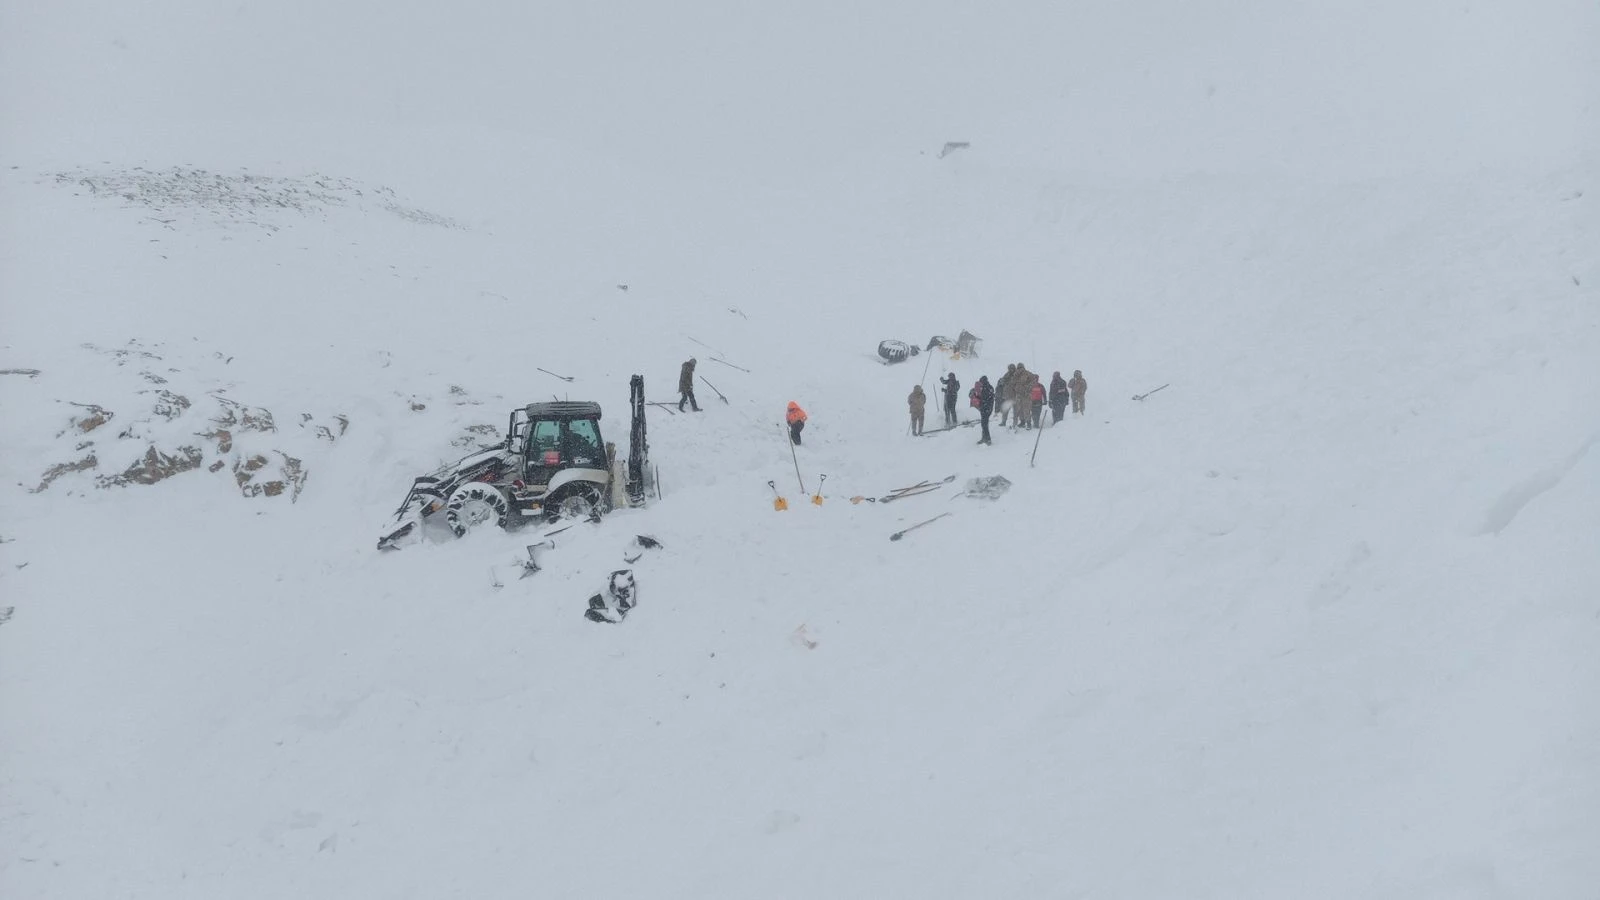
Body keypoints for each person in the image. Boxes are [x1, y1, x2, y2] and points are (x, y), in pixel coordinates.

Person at [973, 376, 994, 445]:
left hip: (986, 409)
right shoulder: (988, 387)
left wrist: (976, 396)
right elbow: (983, 397)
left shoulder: (986, 388)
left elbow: (984, 398)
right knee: (984, 424)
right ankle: (984, 438)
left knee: (984, 424)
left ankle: (988, 439)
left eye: (981, 381)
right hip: (985, 408)